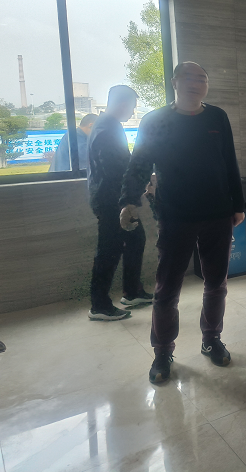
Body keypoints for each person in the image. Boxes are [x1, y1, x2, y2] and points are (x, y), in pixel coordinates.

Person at [119, 62, 245, 384]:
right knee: (167, 288)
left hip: (218, 212)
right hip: (175, 214)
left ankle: (211, 339)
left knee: (216, 283)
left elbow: (229, 161)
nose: (196, 83)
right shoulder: (155, 120)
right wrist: (129, 201)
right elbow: (139, 164)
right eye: (189, 77)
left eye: (202, 78)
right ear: (175, 82)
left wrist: (238, 205)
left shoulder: (217, 117)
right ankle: (162, 351)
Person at [86, 89, 151, 321]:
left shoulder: (107, 125)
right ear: (121, 103)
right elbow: (115, 170)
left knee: (136, 239)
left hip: (113, 198)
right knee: (108, 250)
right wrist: (129, 198)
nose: (132, 111)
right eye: (132, 106)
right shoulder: (107, 128)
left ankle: (132, 292)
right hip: (111, 201)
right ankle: (99, 306)